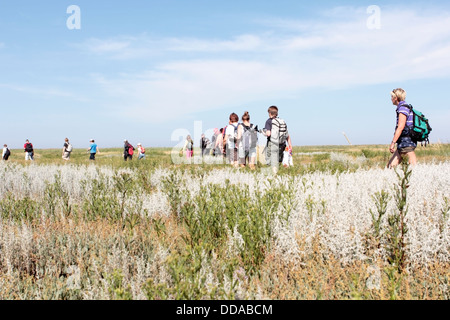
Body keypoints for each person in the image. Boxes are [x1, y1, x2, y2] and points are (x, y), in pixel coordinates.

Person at [387, 88, 417, 168]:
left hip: (406, 140)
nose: (391, 99)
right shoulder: (403, 107)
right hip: (403, 141)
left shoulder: (403, 108)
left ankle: (417, 176)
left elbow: (400, 127)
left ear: (395, 97)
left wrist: (393, 142)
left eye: (391, 97)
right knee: (390, 167)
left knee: (413, 165)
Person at [263, 106, 292, 172]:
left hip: (273, 143)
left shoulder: (269, 121)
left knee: (271, 160)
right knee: (280, 160)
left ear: (269, 113)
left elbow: (268, 134)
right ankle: (285, 172)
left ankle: (274, 175)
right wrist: (290, 145)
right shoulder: (281, 121)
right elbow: (287, 134)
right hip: (282, 144)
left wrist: (263, 132)